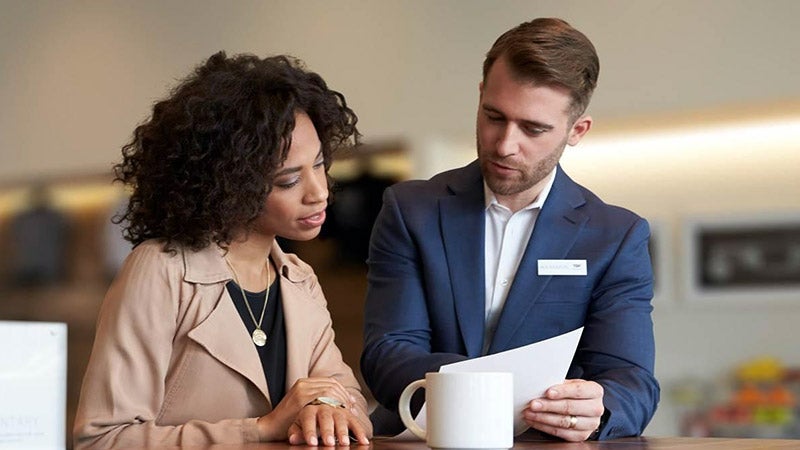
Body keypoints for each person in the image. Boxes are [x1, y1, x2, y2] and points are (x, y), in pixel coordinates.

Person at [361, 18, 659, 442]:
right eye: (493, 117)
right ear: (480, 95)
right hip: (423, 440)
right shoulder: (410, 211)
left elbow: (632, 382)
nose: (504, 144)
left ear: (577, 131)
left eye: (533, 129)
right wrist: (489, 389)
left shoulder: (616, 235)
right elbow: (387, 353)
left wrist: (599, 405)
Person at [74, 51, 372, 449]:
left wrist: (329, 405)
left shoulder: (298, 279)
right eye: (287, 181)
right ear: (230, 184)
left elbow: (352, 405)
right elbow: (103, 439)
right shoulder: (161, 269)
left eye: (319, 165)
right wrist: (259, 429)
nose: (319, 193)